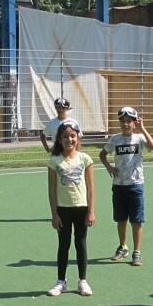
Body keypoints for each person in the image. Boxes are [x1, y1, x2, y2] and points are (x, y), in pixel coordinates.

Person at [99, 106, 153, 266]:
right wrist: (109, 168)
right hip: (119, 185)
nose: (125, 124)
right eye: (122, 121)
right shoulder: (115, 139)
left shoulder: (139, 138)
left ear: (134, 122)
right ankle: (123, 247)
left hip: (135, 185)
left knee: (136, 220)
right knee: (121, 219)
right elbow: (102, 154)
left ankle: (137, 252)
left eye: (129, 121)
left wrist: (143, 128)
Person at [46, 119, 96, 296]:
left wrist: (91, 211)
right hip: (63, 210)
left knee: (80, 243)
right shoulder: (54, 161)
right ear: (59, 139)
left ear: (78, 137)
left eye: (73, 136)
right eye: (65, 136)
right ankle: (61, 281)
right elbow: (51, 189)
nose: (69, 140)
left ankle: (82, 281)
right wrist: (54, 214)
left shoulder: (85, 159)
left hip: (81, 208)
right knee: (63, 244)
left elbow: (90, 187)